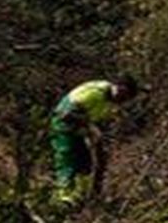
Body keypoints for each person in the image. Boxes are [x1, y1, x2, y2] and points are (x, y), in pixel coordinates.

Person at [49, 75, 139, 207]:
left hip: (80, 130)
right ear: (115, 87)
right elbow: (65, 114)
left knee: (86, 164)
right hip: (64, 128)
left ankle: (81, 195)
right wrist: (90, 127)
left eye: (126, 98)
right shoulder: (94, 93)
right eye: (122, 94)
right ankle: (63, 198)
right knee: (67, 161)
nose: (122, 99)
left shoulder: (111, 101)